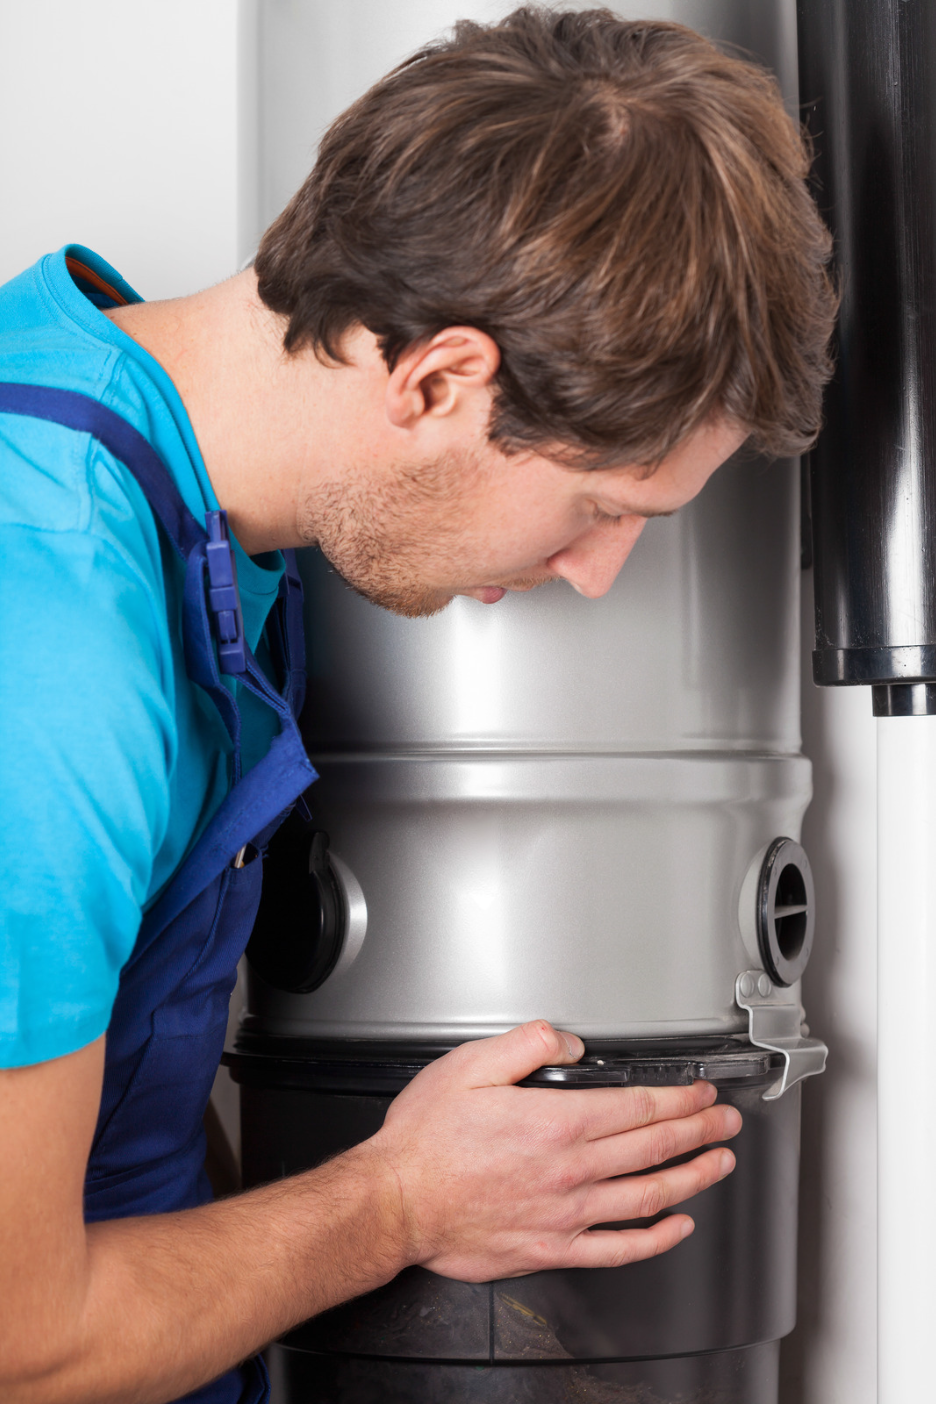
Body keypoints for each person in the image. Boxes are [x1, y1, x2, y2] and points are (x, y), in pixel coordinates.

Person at [0, 8, 835, 1404]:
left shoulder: (175, 500)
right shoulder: (50, 652)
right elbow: (19, 1343)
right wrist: (396, 1204)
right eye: (598, 505)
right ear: (441, 377)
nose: (593, 574)